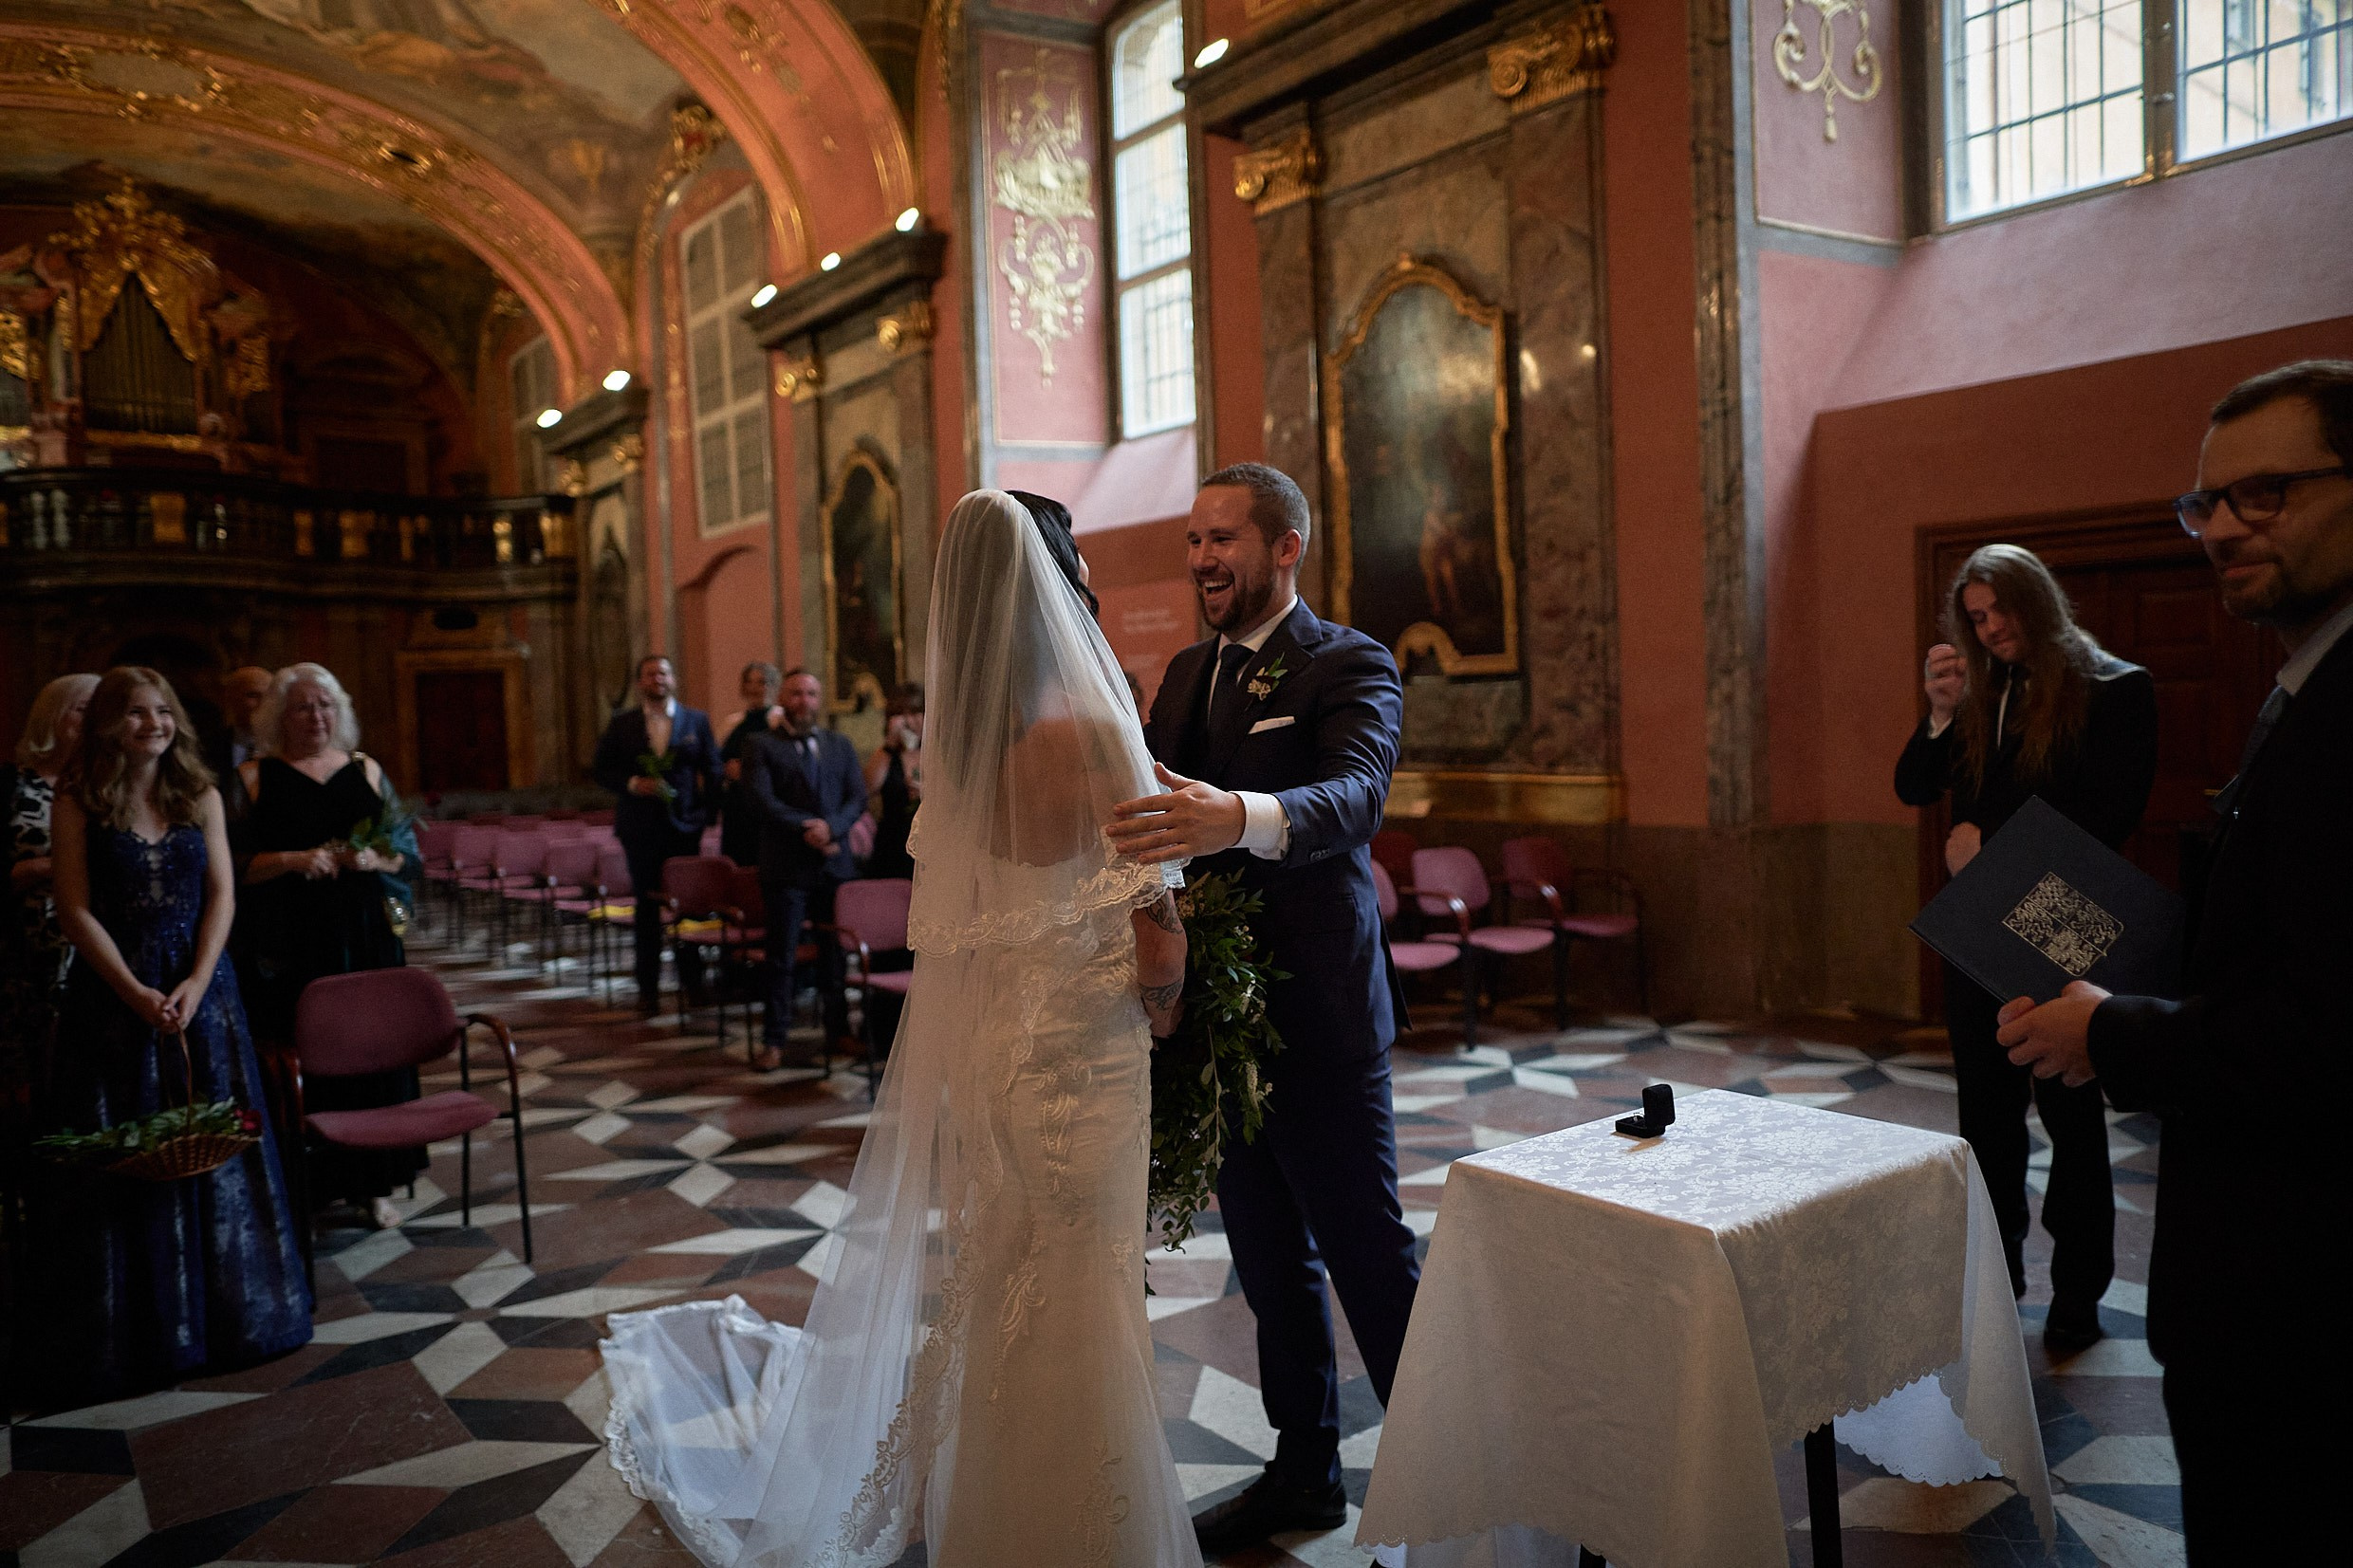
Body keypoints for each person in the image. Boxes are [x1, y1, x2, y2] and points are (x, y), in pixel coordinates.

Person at [602, 490, 1195, 1565]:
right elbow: (1155, 935)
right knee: (1084, 1283)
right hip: (1085, 1049)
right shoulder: (1099, 731)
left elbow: (972, 917)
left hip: (998, 1052)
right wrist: (1168, 1010)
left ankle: (999, 1519)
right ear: (1059, 591)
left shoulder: (963, 753)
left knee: (1012, 1268)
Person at [2000, 361, 2353, 1559]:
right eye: (2205, 503)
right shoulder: (2306, 680)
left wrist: (2108, 1030)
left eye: (2267, 492)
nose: (2223, 529)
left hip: (2300, 1294)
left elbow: (2322, 1031)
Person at [1108, 462, 1419, 1553]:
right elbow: (1151, 807)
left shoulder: (1347, 661)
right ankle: (1303, 1470)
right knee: (1268, 1261)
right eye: (1193, 541)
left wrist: (1234, 816)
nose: (1201, 559)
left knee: (1368, 1253)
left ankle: (1448, 1480)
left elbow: (1354, 797)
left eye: (1222, 540)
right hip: (1217, 1021)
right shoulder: (1186, 673)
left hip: (1320, 1018)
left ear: (1285, 548)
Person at [1893, 544, 2157, 1353]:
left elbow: (2109, 812)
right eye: (1976, 618)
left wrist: (1991, 843)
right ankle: (1997, 1275)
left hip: (2061, 925)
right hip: (1978, 929)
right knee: (1986, 1113)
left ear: (2036, 600)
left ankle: (2078, 1289)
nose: (1991, 628)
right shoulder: (1982, 690)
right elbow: (1913, 785)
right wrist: (1940, 713)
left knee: (2072, 1114)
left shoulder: (2115, 684)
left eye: (2001, 610)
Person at [40, 667, 310, 1402]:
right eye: (135, 712)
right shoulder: (77, 800)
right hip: (112, 997)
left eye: (163, 710)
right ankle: (138, 1336)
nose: (153, 723)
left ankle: (228, 1323)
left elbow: (222, 893)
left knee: (209, 1149)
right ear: (108, 723)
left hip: (203, 995)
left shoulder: (199, 794)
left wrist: (197, 979)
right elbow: (74, 908)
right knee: (128, 1154)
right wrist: (133, 990)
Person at [232, 663, 421, 1230]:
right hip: (290, 941)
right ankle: (305, 1185)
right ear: (278, 716)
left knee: (372, 1052)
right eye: (302, 707)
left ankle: (374, 1184)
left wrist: (372, 857)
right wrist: (293, 860)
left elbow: (405, 853)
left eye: (325, 706)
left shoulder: (366, 770)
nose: (315, 717)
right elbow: (229, 864)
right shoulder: (252, 778)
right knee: (308, 1056)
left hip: (365, 936)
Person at [741, 669, 863, 1069]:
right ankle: (774, 1041)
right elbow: (760, 800)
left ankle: (838, 1031)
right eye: (796, 693)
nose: (804, 701)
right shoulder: (760, 744)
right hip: (786, 866)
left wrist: (833, 828)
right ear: (782, 698)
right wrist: (806, 828)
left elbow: (856, 798)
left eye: (811, 693)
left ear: (819, 699)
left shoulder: (839, 744)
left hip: (833, 864)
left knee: (834, 955)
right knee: (782, 956)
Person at [591, 655, 719, 1016]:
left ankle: (693, 983)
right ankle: (647, 989)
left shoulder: (696, 720)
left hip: (685, 828)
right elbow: (601, 769)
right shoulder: (623, 723)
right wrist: (634, 783)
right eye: (650, 675)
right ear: (639, 683)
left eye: (663, 673)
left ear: (673, 679)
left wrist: (705, 815)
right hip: (640, 827)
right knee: (647, 908)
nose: (657, 679)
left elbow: (712, 768)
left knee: (689, 904)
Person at [5, 673, 98, 1066]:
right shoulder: (13, 785)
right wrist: (50, 867)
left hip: (98, 944)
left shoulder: (109, 788)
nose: (95, 721)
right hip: (25, 949)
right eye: (83, 710)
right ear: (52, 716)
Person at [715, 661, 783, 868]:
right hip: (737, 806)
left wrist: (746, 772)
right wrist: (725, 771)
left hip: (768, 804)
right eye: (750, 682)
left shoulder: (781, 720)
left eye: (762, 682)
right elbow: (715, 761)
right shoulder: (731, 723)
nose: (755, 688)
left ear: (773, 686)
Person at [861, 682, 923, 880]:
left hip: (928, 843)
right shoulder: (887, 754)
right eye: (900, 714)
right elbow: (867, 789)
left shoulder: (938, 754)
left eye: (915, 713)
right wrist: (889, 743)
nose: (908, 722)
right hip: (892, 843)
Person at [208, 666, 273, 813]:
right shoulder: (207, 747)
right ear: (230, 698)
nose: (263, 704)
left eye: (269, 697)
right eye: (253, 695)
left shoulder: (287, 749)